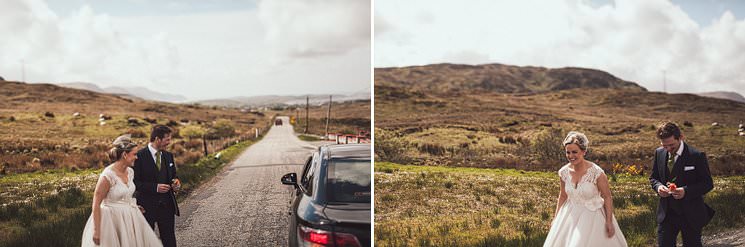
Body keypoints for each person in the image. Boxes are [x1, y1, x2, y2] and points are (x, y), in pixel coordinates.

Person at [544, 131, 627, 246]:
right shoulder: (563, 172)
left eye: (575, 152)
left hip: (593, 217)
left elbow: (607, 196)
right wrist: (556, 219)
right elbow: (563, 195)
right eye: (568, 152)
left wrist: (609, 222)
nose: (571, 156)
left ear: (584, 152)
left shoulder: (597, 172)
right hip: (569, 216)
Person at [81, 134, 163, 247]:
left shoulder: (130, 172)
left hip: (130, 218)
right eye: (134, 154)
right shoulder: (108, 176)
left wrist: (131, 205)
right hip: (111, 221)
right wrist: (96, 230)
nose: (137, 157)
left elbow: (126, 195)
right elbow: (96, 203)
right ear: (125, 155)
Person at [649, 122, 714, 247]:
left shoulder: (696, 156)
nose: (668, 149)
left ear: (681, 137)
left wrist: (686, 191)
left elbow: (707, 184)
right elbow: (654, 178)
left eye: (671, 145)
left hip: (691, 214)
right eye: (664, 145)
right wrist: (658, 187)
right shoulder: (659, 153)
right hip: (666, 213)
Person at [134, 125, 181, 247]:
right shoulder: (138, 156)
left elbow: (174, 176)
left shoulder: (168, 156)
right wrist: (155, 187)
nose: (169, 142)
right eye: (167, 139)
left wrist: (176, 183)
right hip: (147, 206)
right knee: (147, 240)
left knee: (169, 237)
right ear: (157, 139)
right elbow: (135, 183)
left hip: (167, 205)